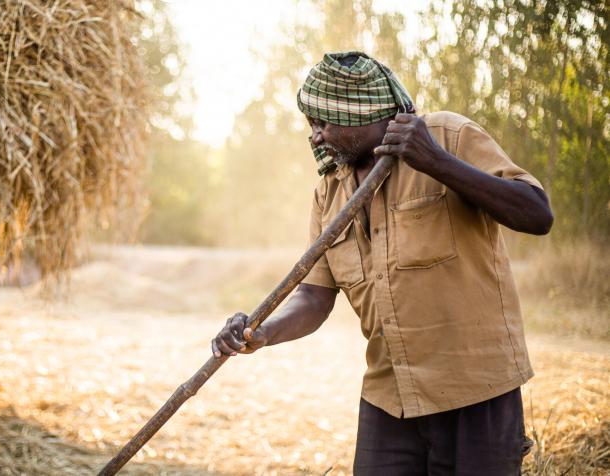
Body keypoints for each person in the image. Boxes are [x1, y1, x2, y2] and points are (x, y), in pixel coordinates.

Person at [211, 51, 553, 476]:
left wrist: (435, 161)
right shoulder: (329, 193)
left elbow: (537, 214)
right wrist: (262, 332)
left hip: (475, 393)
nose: (315, 137)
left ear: (360, 113)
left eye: (323, 122)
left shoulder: (447, 136)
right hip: (389, 399)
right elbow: (315, 297)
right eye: (311, 124)